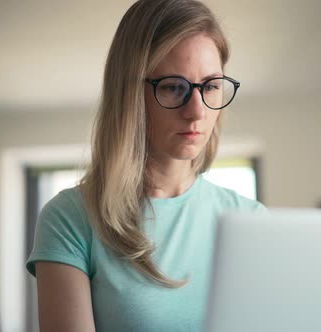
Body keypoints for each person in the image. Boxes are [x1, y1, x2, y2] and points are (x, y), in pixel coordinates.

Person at [25, 0, 265, 331]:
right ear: (130, 93)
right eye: (172, 87)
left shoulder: (252, 222)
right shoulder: (70, 219)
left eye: (210, 86)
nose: (197, 111)